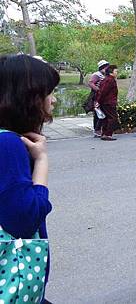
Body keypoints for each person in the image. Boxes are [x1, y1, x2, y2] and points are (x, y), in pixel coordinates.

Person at [0, 54, 57, 302]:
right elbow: (25, 219)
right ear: (28, 97)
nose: (53, 100)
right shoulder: (8, 143)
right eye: (49, 92)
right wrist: (42, 161)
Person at [96, 65, 119, 141]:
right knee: (113, 118)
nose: (117, 73)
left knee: (106, 118)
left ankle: (104, 134)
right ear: (111, 72)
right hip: (108, 102)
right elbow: (103, 92)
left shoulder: (107, 79)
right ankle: (107, 134)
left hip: (106, 102)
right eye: (116, 71)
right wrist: (98, 101)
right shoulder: (110, 80)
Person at [88, 60, 110, 137]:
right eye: (107, 67)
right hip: (97, 96)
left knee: (103, 112)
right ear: (102, 67)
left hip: (104, 97)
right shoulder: (97, 75)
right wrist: (98, 89)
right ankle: (96, 130)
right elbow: (90, 83)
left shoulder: (105, 75)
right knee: (98, 113)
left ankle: (100, 129)